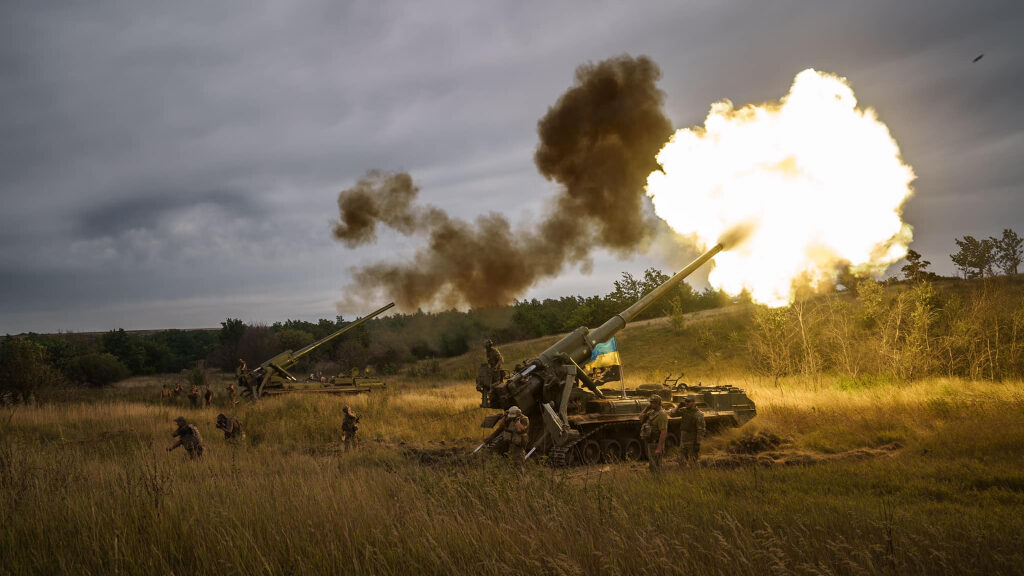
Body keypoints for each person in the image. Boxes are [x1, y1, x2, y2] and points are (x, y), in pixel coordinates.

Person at [670, 395, 706, 465]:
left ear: (693, 402)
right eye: (685, 401)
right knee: (681, 462)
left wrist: (698, 443)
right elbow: (672, 414)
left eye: (688, 401)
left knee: (692, 463)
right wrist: (678, 406)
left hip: (692, 443)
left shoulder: (698, 414)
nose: (686, 403)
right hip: (683, 442)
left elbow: (701, 430)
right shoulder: (684, 411)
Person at [640, 395, 668, 473]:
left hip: (656, 443)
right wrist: (646, 408)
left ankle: (659, 482)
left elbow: (663, 432)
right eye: (650, 402)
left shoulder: (662, 414)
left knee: (657, 466)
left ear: (658, 403)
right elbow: (641, 417)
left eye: (652, 402)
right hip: (651, 442)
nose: (651, 404)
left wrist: (659, 447)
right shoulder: (652, 412)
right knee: (652, 466)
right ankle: (654, 480)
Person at [498, 405, 530, 469]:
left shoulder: (524, 419)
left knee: (519, 464)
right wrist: (504, 417)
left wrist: (517, 420)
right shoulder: (511, 419)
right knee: (510, 463)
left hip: (519, 446)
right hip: (511, 444)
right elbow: (501, 426)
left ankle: (520, 478)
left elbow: (519, 430)